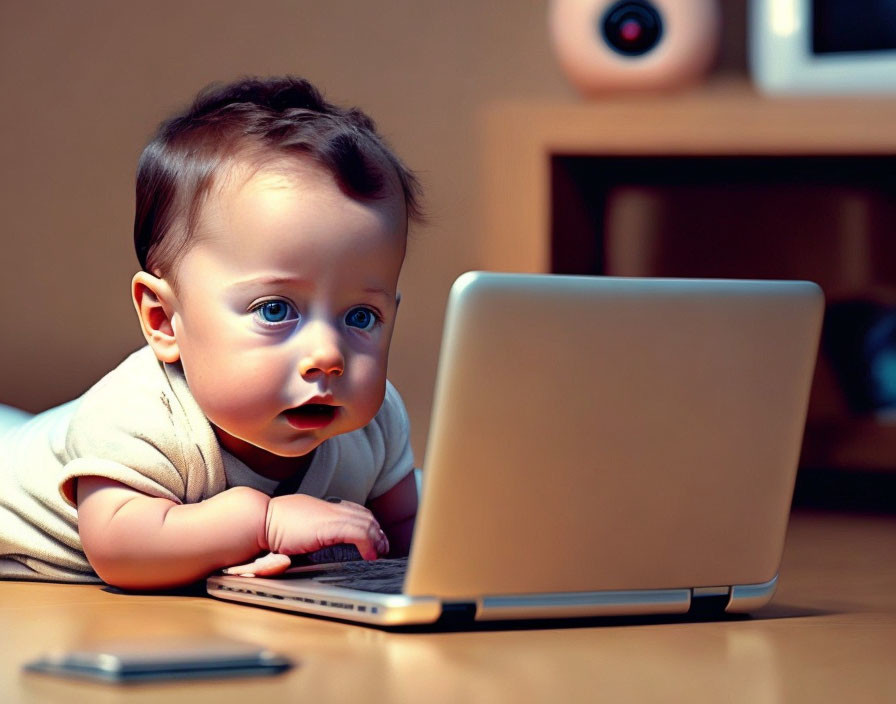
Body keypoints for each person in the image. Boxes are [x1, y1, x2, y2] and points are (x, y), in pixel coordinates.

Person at [0, 76, 422, 590]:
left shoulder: (375, 425)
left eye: (361, 317)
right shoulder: (138, 415)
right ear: (162, 320)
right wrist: (263, 522)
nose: (327, 355)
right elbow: (119, 550)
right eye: (275, 310)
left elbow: (409, 535)